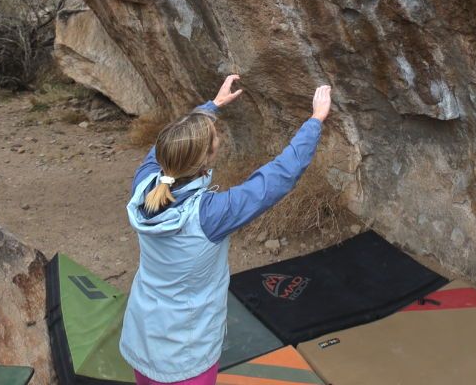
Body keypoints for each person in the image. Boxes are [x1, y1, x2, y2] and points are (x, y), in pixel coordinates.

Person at [119, 75, 332, 385]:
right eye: (214, 140)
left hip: (142, 337)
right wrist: (315, 121)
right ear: (206, 162)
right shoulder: (210, 215)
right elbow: (275, 180)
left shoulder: (144, 186)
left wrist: (212, 106)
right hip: (185, 353)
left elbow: (166, 147)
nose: (217, 138)